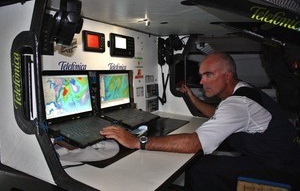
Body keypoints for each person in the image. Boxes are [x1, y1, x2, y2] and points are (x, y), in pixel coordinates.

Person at [100, 52, 300, 190]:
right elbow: (217, 114)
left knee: (200, 169)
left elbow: (195, 143)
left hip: (282, 170)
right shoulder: (243, 90)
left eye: (208, 75)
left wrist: (137, 141)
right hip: (281, 159)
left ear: (228, 75)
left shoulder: (238, 104)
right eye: (201, 75)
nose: (202, 80)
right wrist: (192, 98)